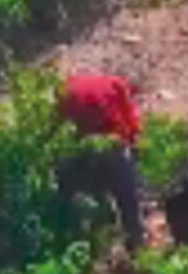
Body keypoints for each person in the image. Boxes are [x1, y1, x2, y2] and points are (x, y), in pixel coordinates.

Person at [58, 69, 146, 249]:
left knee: (74, 191)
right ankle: (137, 244)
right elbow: (132, 126)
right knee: (127, 196)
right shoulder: (117, 84)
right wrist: (134, 151)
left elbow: (57, 125)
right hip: (108, 142)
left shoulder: (66, 87)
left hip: (78, 144)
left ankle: (85, 239)